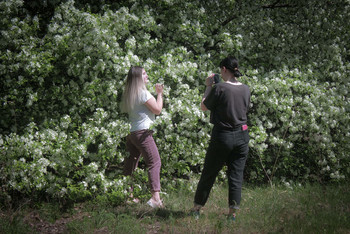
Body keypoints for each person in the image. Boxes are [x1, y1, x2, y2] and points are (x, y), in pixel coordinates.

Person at [191, 56, 250, 221]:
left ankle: (196, 209)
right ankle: (232, 214)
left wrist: (208, 86)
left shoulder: (220, 88)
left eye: (220, 70)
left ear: (224, 69)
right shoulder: (246, 89)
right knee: (236, 175)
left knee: (209, 172)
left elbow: (204, 106)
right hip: (242, 135)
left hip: (223, 135)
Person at [121, 66, 164, 208]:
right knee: (154, 162)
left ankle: (127, 195)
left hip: (132, 133)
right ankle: (155, 199)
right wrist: (159, 94)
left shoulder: (129, 94)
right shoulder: (143, 93)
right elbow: (157, 110)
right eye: (144, 74)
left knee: (130, 165)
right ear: (138, 78)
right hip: (143, 133)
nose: (147, 76)